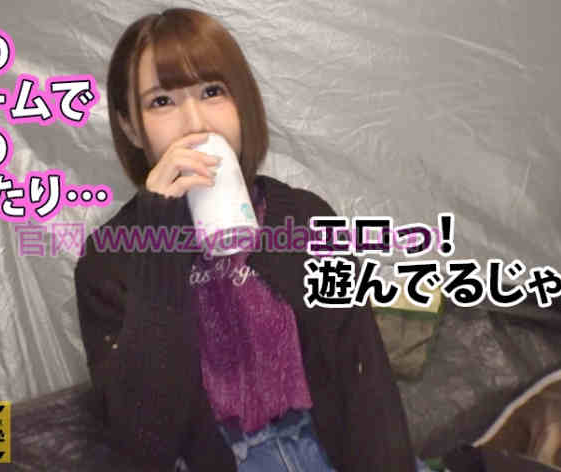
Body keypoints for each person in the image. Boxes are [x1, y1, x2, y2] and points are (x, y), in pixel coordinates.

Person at [74, 8, 418, 472]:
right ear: (132, 127)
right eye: (162, 102)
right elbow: (143, 441)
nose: (195, 122)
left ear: (242, 101)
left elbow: (365, 380)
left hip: (327, 447)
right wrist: (161, 244)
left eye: (212, 92)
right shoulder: (108, 261)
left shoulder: (304, 217)